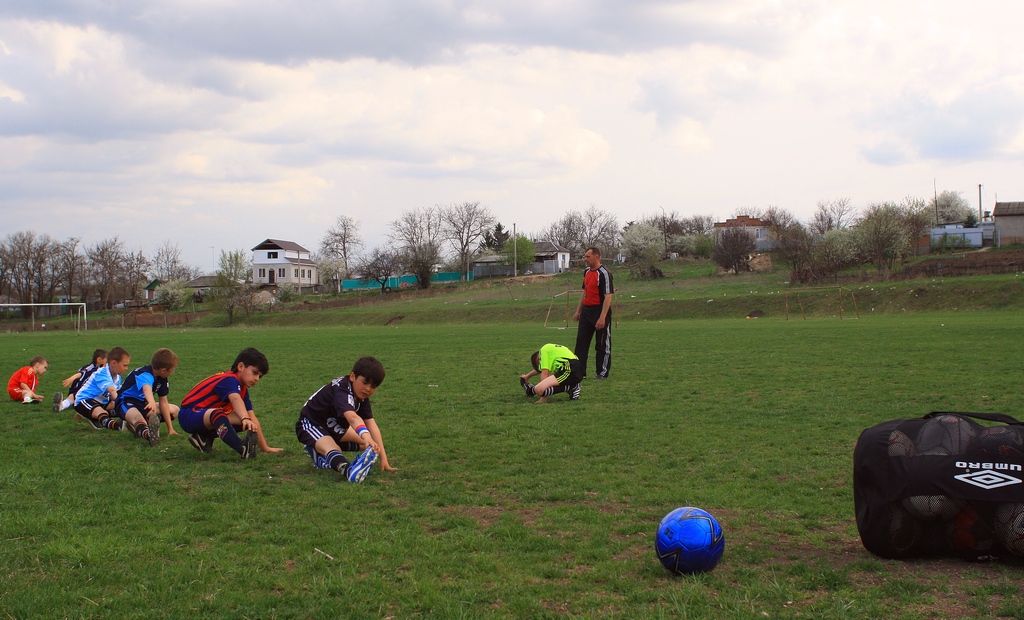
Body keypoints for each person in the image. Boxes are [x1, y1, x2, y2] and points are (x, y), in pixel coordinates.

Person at [295, 356, 393, 483]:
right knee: (334, 449)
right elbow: (352, 418)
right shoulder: (342, 391)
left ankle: (317, 453)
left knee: (368, 444)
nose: (368, 389)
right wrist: (365, 435)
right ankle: (350, 471)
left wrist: (383, 459)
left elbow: (371, 424)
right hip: (311, 423)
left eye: (373, 386)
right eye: (365, 382)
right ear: (353, 376)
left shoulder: (361, 396)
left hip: (332, 427)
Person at [179, 348, 281, 459]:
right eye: (254, 373)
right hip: (188, 414)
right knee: (221, 415)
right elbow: (235, 399)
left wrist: (265, 448)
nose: (256, 379)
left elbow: (252, 417)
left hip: (204, 417)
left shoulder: (242, 389)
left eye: (260, 376)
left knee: (249, 422)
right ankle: (242, 448)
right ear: (241, 367)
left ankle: (203, 437)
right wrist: (244, 418)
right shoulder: (229, 379)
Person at [115, 348, 181, 447]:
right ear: (163, 370)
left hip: (143, 405)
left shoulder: (162, 378)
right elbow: (147, 388)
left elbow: (163, 402)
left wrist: (170, 429)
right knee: (138, 418)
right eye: (172, 370)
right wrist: (151, 401)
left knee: (175, 410)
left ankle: (136, 425)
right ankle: (148, 435)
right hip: (125, 402)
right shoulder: (145, 374)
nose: (172, 373)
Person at [573, 246, 614, 379]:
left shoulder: (604, 273)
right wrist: (578, 311)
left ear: (596, 256)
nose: (585, 259)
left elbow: (608, 296)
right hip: (586, 311)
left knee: (601, 344)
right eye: (585, 256)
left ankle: (602, 372)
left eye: (587, 257)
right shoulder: (586, 272)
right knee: (581, 343)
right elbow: (584, 292)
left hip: (600, 311)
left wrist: (602, 318)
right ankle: (580, 372)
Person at [72, 347, 130, 431]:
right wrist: (121, 403)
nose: (126, 368)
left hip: (101, 401)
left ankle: (90, 416)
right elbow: (112, 391)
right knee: (102, 412)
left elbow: (114, 395)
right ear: (113, 363)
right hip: (85, 400)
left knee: (126, 407)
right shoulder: (102, 373)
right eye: (124, 365)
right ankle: (117, 426)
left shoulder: (117, 377)